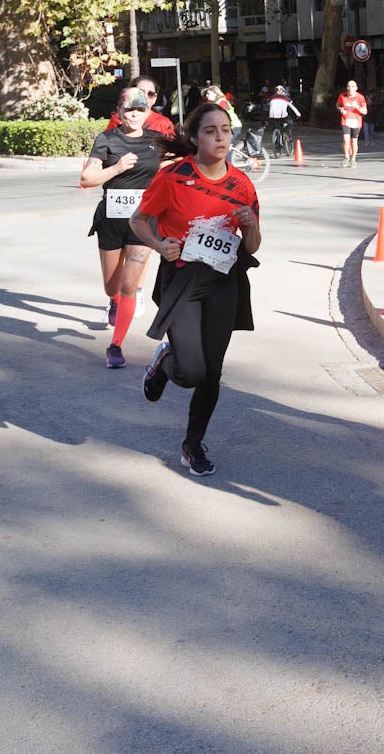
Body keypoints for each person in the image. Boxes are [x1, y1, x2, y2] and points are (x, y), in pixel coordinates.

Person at [130, 103, 262, 477]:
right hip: (183, 279)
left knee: (213, 372)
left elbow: (252, 246)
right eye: (210, 131)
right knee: (191, 372)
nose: (220, 137)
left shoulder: (242, 184)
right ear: (195, 137)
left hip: (224, 281)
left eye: (225, 130)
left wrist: (249, 226)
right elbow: (139, 220)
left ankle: (192, 444)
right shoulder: (174, 177)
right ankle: (163, 364)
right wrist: (159, 244)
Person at [80, 88, 166, 368]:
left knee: (130, 284)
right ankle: (114, 301)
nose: (134, 114)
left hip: (143, 222)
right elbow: (88, 178)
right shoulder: (107, 139)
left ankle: (115, 346)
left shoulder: (157, 141)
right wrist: (116, 168)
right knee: (112, 286)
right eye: (129, 109)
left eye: (140, 110)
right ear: (119, 111)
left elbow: (180, 165)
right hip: (112, 220)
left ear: (147, 112)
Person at [104, 76, 177, 136]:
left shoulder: (163, 124)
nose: (145, 96)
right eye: (140, 92)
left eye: (150, 94)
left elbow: (174, 150)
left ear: (155, 98)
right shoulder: (117, 119)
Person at [337, 79, 368, 166]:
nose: (350, 88)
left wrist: (357, 107)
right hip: (345, 120)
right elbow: (338, 105)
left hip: (356, 121)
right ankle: (346, 157)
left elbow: (365, 112)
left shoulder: (360, 97)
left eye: (352, 86)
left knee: (354, 141)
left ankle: (353, 159)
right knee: (346, 140)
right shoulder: (342, 96)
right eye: (349, 86)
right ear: (346, 87)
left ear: (356, 88)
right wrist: (341, 109)